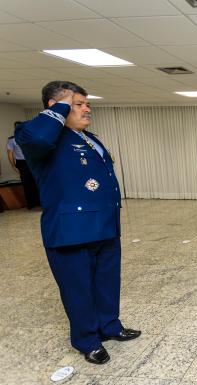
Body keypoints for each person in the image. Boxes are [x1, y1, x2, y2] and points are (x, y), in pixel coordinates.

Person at [15, 81, 141, 365]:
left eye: (87, 103)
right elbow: (37, 138)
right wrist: (61, 104)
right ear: (55, 108)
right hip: (71, 233)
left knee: (107, 283)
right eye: (78, 103)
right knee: (78, 288)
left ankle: (110, 326)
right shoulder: (36, 137)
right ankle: (87, 340)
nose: (87, 108)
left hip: (105, 227)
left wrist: (71, 103)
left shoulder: (89, 138)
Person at [7, 121, 40, 209]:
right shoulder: (12, 140)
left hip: (33, 161)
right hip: (22, 163)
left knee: (37, 182)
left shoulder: (30, 137)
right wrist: (13, 166)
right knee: (27, 183)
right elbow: (10, 153)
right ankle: (31, 204)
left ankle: (39, 203)